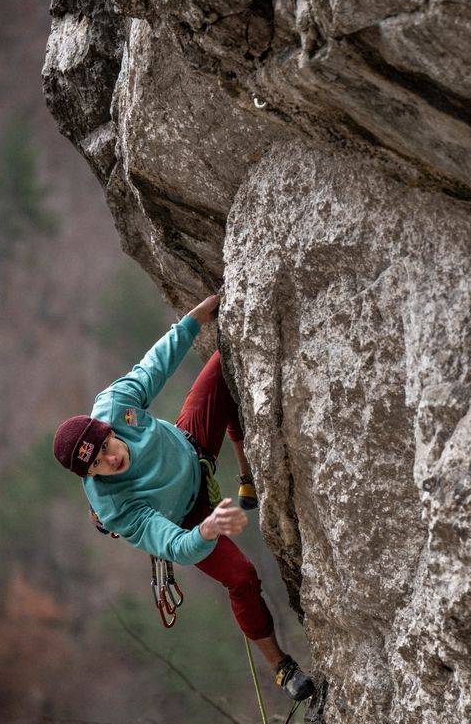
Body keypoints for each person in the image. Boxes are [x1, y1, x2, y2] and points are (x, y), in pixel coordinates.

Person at [52, 293, 314, 701]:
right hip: (186, 521)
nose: (111, 460)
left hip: (191, 446)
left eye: (106, 446)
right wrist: (206, 530)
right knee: (242, 578)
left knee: (228, 360)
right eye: (98, 466)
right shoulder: (116, 507)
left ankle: (248, 477)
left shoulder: (114, 405)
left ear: (106, 429)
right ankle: (281, 667)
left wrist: (192, 321)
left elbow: (154, 367)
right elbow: (177, 546)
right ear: (89, 477)